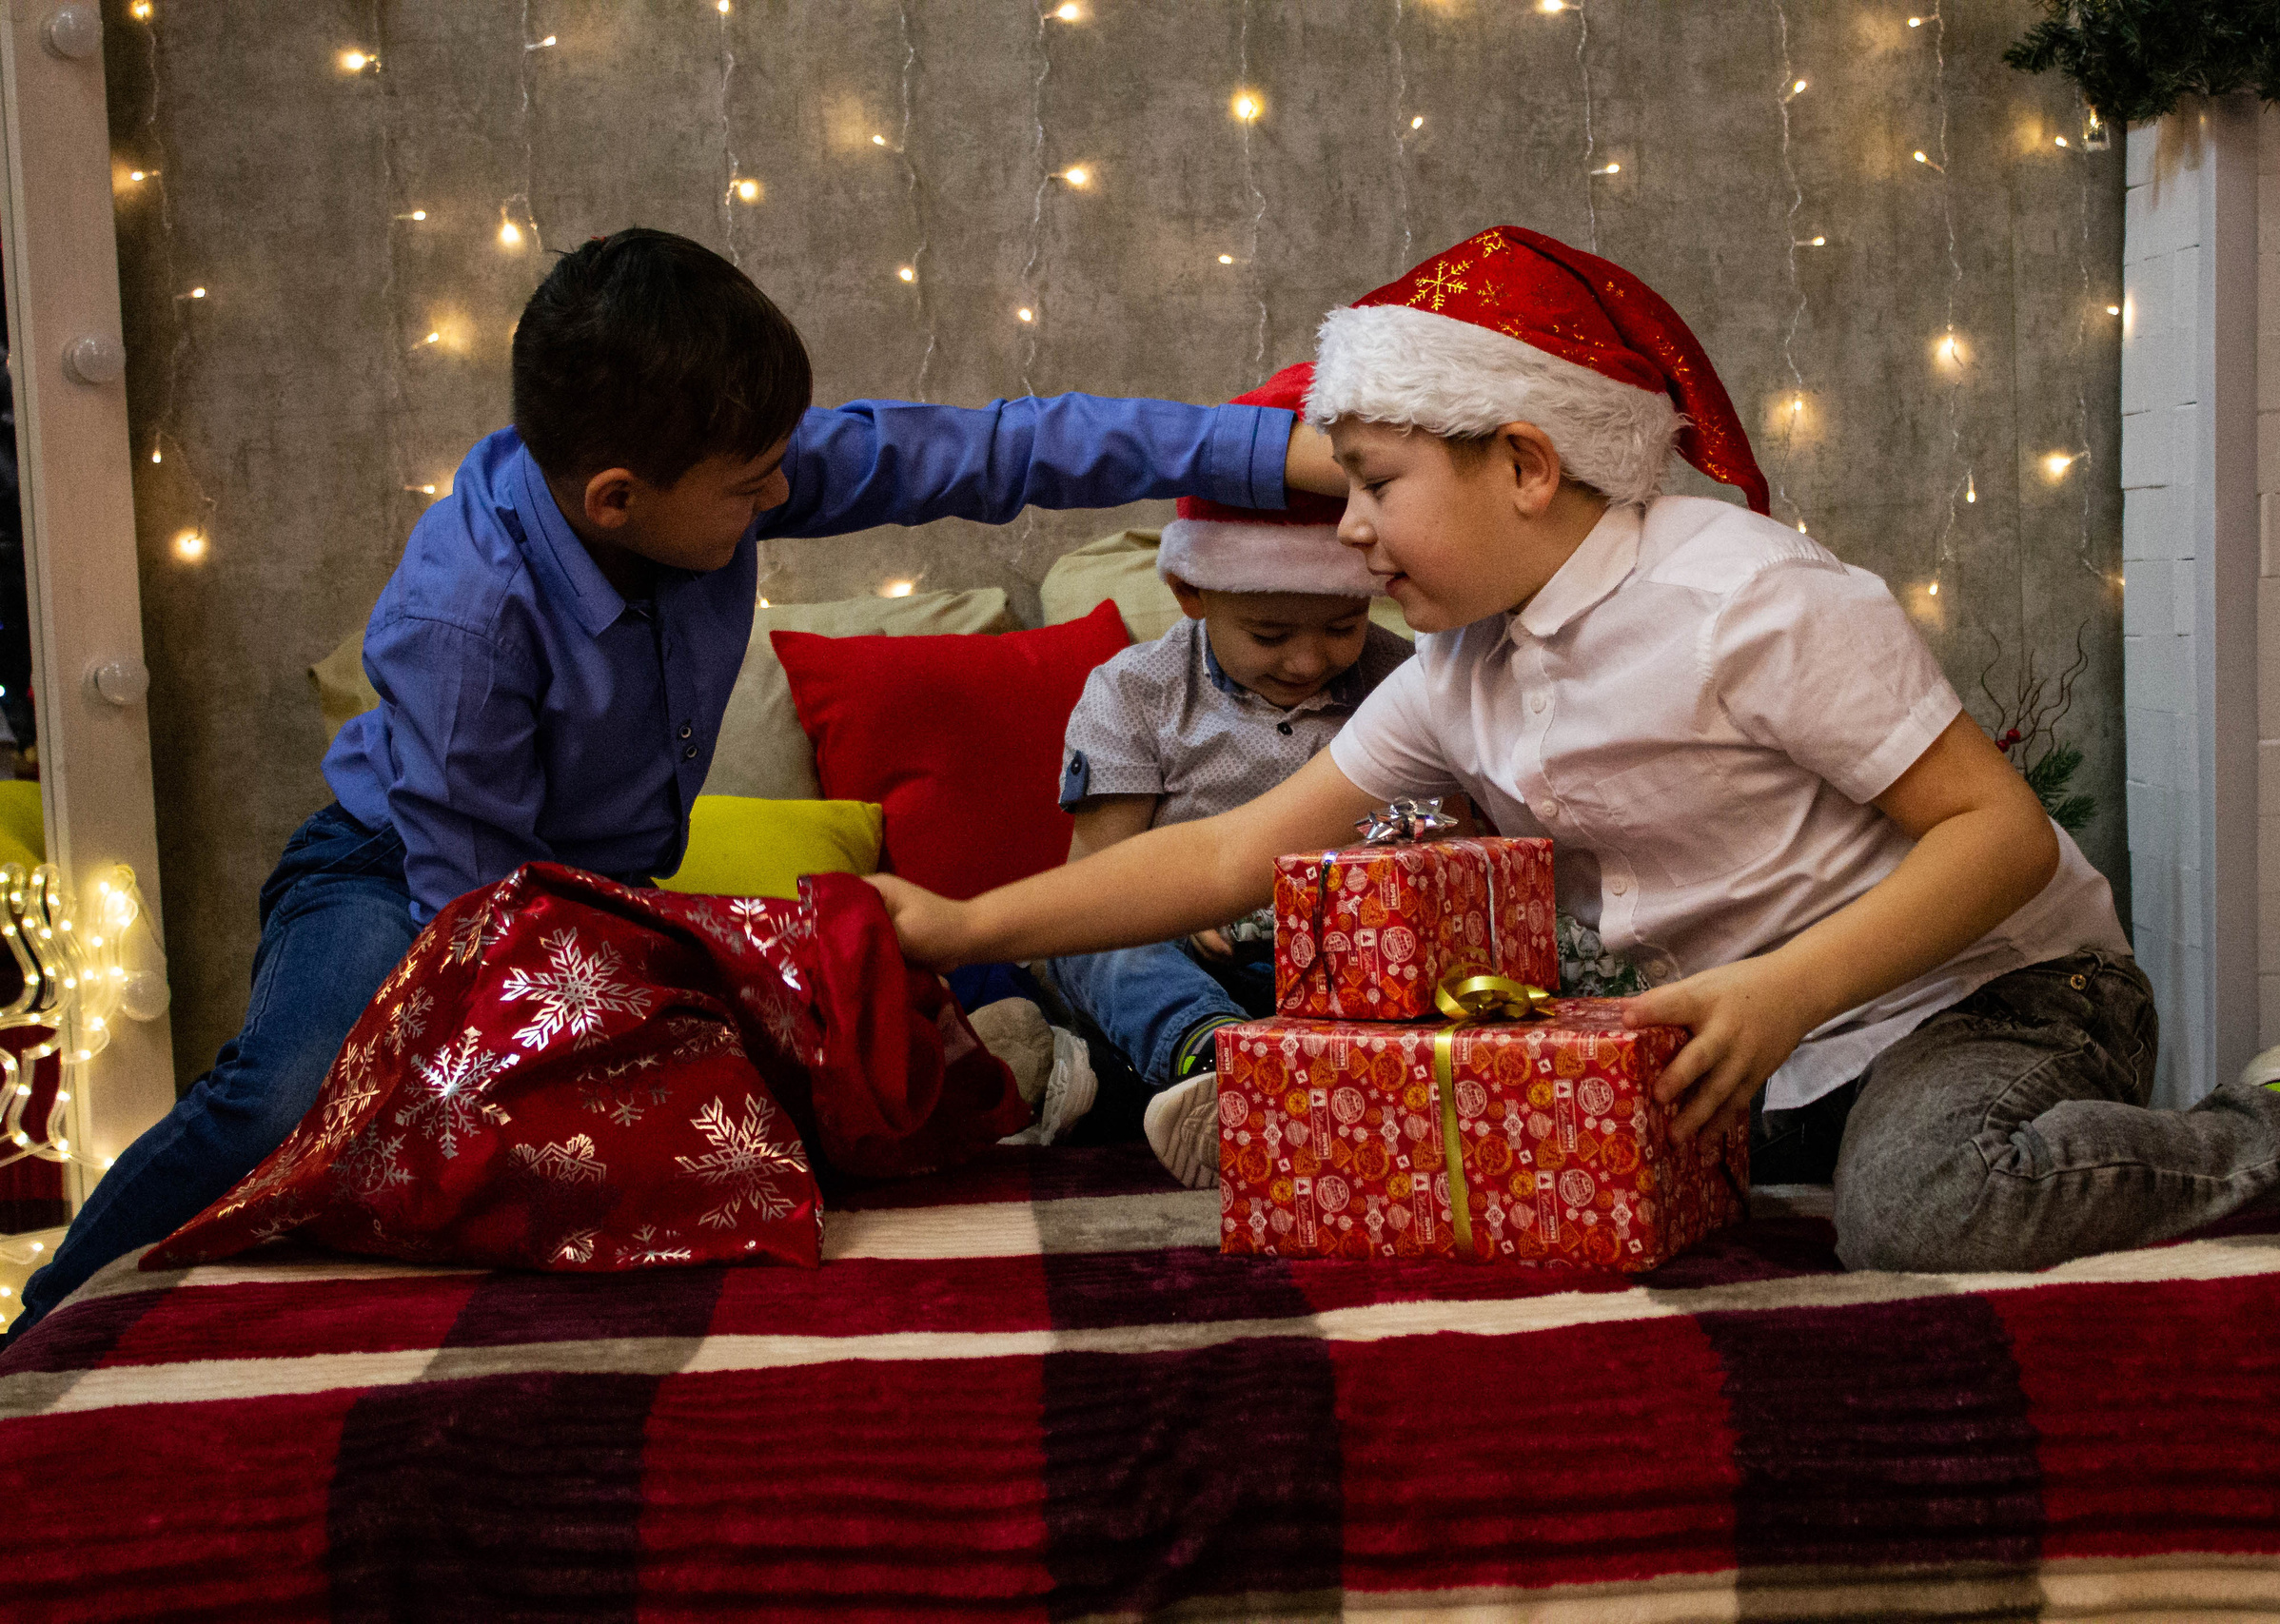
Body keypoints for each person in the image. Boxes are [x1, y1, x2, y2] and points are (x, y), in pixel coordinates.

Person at [874, 225, 2280, 1267]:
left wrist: (1786, 989)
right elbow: (1220, 850)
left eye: (1372, 484)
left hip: (1988, 991)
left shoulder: (1743, 594)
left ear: (1529, 462)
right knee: (1494, 1172)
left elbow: (2000, 834)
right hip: (1759, 1038)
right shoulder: (1456, 674)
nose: (1347, 532)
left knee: (1921, 1207)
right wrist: (962, 924)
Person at [5, 226, 1343, 1340]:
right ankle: (46, 1326)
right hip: (411, 880)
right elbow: (481, 929)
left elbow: (1003, 449)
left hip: (597, 895)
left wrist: (1281, 457)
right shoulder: (463, 619)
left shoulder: (709, 466)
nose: (781, 494)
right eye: (752, 486)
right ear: (615, 495)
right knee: (290, 1089)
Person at [1046, 366, 1410, 1186]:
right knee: (1099, 947)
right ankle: (1220, 1069)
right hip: (1184, 954)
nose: (1309, 659)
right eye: (1271, 633)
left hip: (1346, 953)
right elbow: (1096, 878)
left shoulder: (1403, 681)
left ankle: (1337, 1082)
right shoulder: (1135, 692)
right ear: (1190, 592)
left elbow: (1445, 832)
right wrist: (1181, 918)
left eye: (1344, 626)